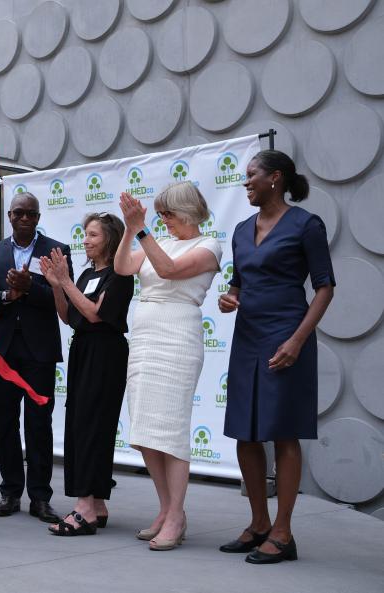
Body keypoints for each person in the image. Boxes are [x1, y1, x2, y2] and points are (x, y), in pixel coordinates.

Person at [217, 150, 334, 564]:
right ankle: (259, 523)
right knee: (245, 432)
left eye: (252, 176)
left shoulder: (306, 225)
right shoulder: (240, 229)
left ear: (275, 178)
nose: (245, 182)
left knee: (284, 432)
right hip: (248, 337)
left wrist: (298, 340)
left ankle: (283, 533)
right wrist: (230, 299)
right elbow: (238, 284)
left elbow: (324, 288)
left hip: (287, 336)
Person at [114, 182, 222, 551]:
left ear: (189, 212)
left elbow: (170, 270)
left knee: (171, 430)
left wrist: (142, 230)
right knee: (145, 429)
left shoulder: (207, 245)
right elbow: (123, 266)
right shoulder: (156, 239)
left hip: (177, 338)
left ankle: (176, 514)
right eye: (159, 215)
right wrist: (131, 227)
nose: (164, 221)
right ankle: (165, 509)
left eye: (168, 215)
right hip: (144, 339)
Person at [42, 213, 132, 536]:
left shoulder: (119, 275)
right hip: (82, 351)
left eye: (92, 235)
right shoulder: (85, 275)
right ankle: (96, 502)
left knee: (94, 425)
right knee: (81, 423)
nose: (85, 240)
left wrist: (65, 281)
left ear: (108, 239)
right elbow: (69, 316)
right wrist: (57, 287)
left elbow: (95, 315)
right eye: (84, 234)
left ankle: (85, 510)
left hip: (106, 354)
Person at [0, 192, 71, 524]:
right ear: (9, 215)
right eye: (18, 213)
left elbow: (65, 298)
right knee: (5, 424)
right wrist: (9, 294)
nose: (24, 218)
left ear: (38, 217)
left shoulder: (56, 251)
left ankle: (40, 498)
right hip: (1, 351)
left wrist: (30, 288)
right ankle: (10, 492)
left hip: (39, 352)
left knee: (39, 424)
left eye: (30, 214)